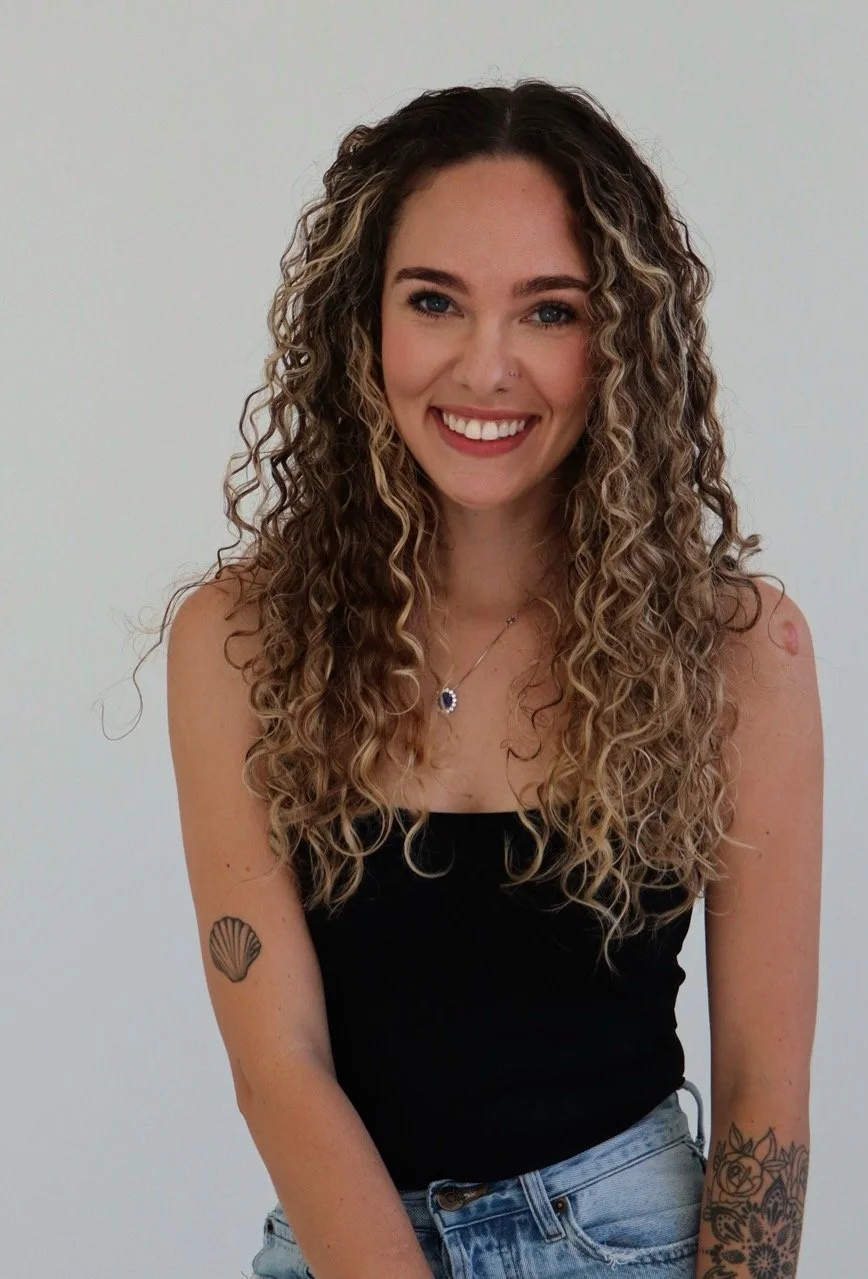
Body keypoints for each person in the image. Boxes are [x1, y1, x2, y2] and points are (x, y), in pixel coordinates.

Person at [160, 79, 822, 1279]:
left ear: (621, 337)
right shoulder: (240, 641)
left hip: (629, 1240)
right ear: (365, 324)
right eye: (435, 302)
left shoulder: (733, 654)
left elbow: (765, 1086)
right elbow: (280, 1063)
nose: (487, 366)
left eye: (551, 312)